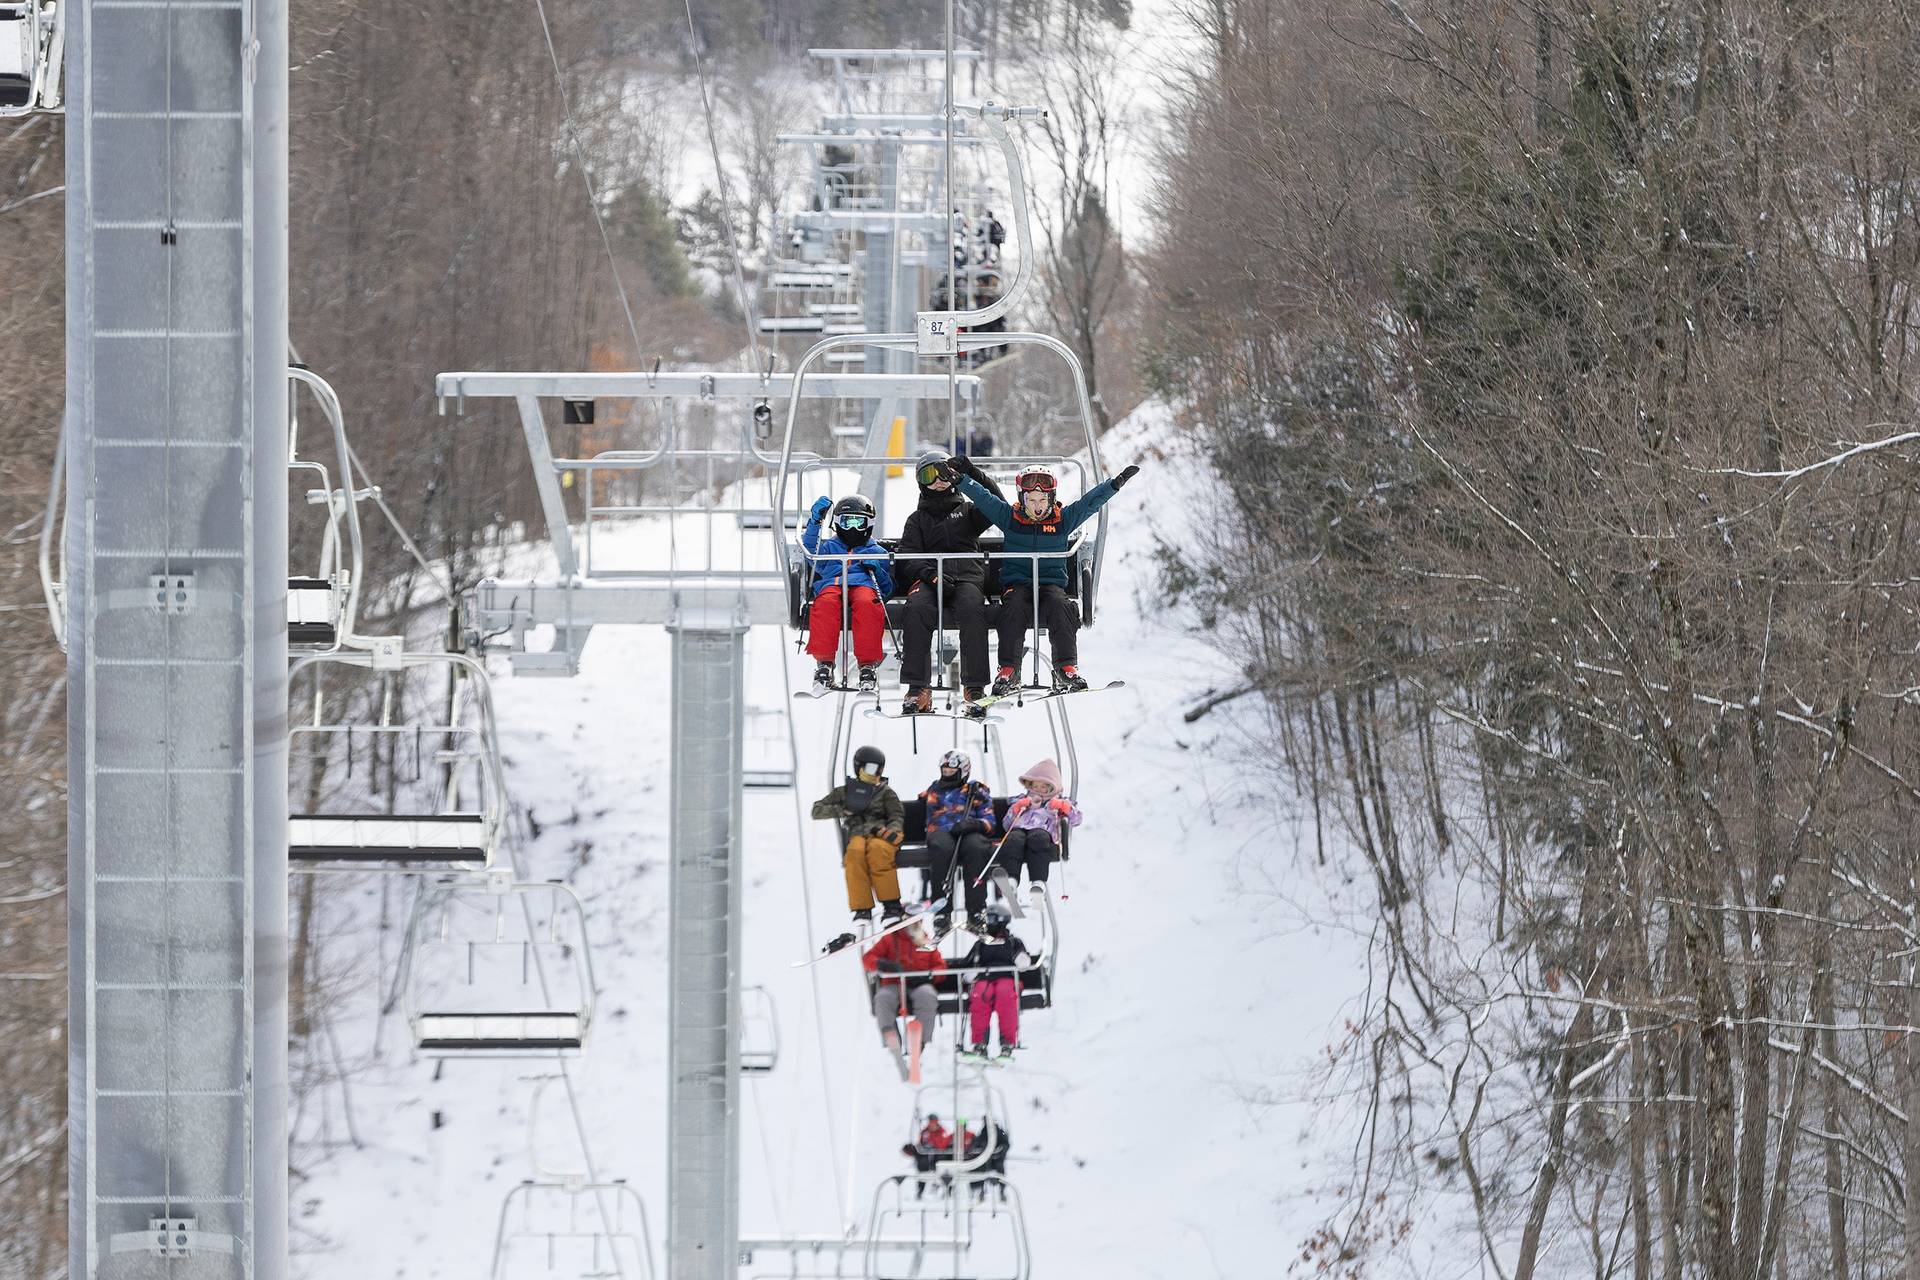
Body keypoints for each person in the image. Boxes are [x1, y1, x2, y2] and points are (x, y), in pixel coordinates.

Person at [947, 454, 1141, 694]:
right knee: (1012, 610)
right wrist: (961, 481)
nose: (1037, 506)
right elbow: (983, 498)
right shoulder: (1010, 518)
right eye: (1031, 500)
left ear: (1051, 499)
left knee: (1062, 606)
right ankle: (1009, 670)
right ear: (1022, 499)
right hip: (1017, 585)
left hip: (1051, 585)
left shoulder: (1063, 521)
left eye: (1042, 500)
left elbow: (1089, 503)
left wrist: (1114, 484)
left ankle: (1065, 668)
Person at [895, 456, 1005, 713]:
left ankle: (974, 687)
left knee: (971, 609)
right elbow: (907, 557)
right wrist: (930, 575)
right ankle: (917, 687)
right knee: (917, 608)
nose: (937, 482)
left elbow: (997, 505)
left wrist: (972, 474)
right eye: (928, 477)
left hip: (966, 576)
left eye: (943, 475)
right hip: (929, 580)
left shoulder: (968, 513)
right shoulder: (916, 520)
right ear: (920, 483)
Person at [802, 494, 894, 695]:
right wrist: (816, 521)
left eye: (858, 522)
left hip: (863, 586)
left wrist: (877, 570)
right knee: (825, 604)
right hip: (832, 584)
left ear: (868, 524)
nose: (852, 528)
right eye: (847, 522)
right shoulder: (828, 548)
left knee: (868, 604)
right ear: (836, 523)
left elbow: (886, 588)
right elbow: (810, 550)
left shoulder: (876, 551)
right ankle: (824, 664)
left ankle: (867, 667)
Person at [811, 745, 906, 923]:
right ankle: (862, 909)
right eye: (871, 768)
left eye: (879, 769)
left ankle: (891, 905)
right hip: (857, 833)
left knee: (879, 852)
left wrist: (893, 830)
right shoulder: (846, 792)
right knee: (854, 856)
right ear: (859, 767)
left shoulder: (885, 792)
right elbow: (817, 810)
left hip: (879, 834)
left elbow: (896, 814)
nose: (875, 773)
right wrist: (843, 810)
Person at [988, 758, 1080, 907]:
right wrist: (1016, 809)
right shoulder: (1022, 801)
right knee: (1013, 839)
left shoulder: (1057, 803)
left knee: (1039, 838)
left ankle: (1037, 881)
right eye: (1035, 786)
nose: (1038, 790)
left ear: (1052, 787)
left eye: (1043, 787)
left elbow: (1076, 819)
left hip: (1043, 831)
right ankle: (1011, 878)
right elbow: (1006, 825)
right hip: (1020, 830)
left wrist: (1065, 807)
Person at [918, 749, 996, 918]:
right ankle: (942, 910)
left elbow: (990, 821)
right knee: (942, 848)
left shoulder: (974, 791)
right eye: (944, 771)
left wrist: (974, 824)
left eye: (952, 772)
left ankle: (976, 910)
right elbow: (922, 797)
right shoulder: (934, 789)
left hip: (968, 831)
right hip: (940, 831)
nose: (947, 775)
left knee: (977, 848)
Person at [959, 904, 1034, 1062]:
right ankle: (980, 1043)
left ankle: (1007, 1042)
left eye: (991, 919)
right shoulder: (981, 945)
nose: (988, 923)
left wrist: (1021, 959)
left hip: (1007, 979)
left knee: (1004, 993)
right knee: (980, 993)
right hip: (985, 979)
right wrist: (970, 974)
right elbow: (967, 966)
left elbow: (1024, 962)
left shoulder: (1013, 943)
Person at [863, 918, 945, 1057]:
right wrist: (882, 964)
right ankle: (891, 1039)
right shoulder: (889, 939)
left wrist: (929, 977)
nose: (914, 925)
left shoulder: (924, 940)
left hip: (919, 984)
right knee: (883, 998)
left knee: (927, 996)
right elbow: (868, 958)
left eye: (917, 921)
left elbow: (940, 966)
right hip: (893, 983)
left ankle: (920, 1042)